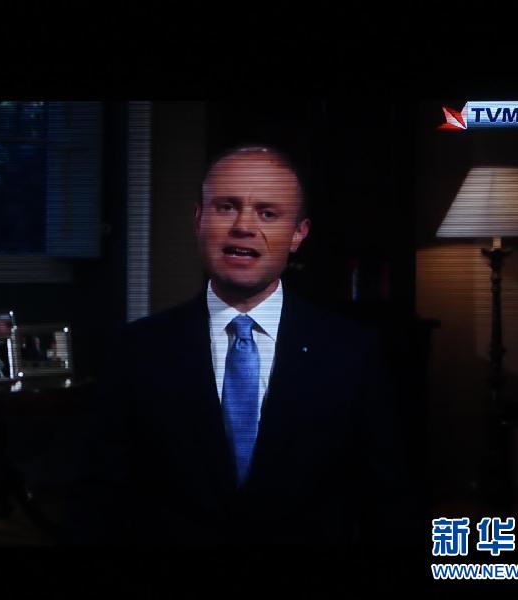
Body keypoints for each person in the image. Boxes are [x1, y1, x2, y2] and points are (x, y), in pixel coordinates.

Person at [63, 145, 421, 546]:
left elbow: (387, 501)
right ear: (198, 220)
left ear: (298, 234)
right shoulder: (137, 349)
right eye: (226, 207)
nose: (243, 227)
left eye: (267, 213)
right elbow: (98, 500)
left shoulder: (352, 352)